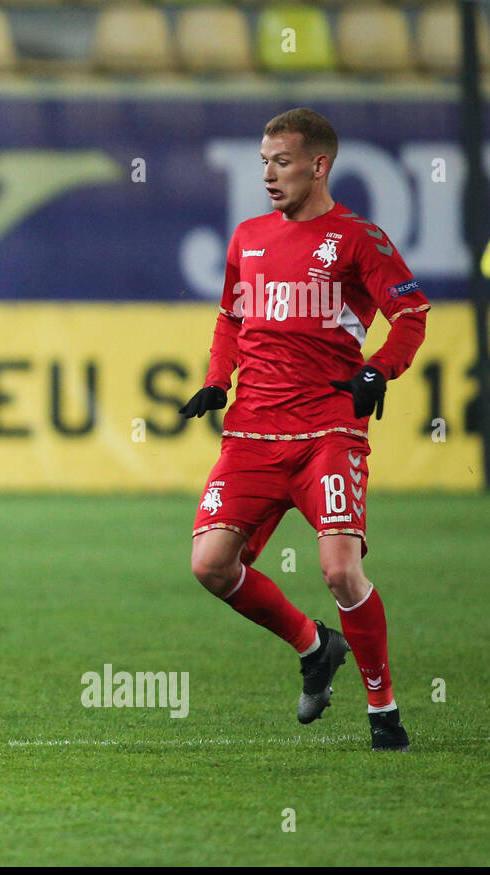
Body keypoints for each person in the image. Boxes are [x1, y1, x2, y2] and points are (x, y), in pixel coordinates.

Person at [180, 108, 427, 752]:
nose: (267, 174)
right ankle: (316, 645)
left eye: (280, 161)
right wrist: (217, 377)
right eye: (262, 161)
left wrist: (379, 370)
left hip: (327, 435)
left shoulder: (357, 239)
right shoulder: (247, 237)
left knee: (341, 572)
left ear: (319, 165)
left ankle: (384, 710)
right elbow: (231, 318)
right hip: (251, 435)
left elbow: (411, 315)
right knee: (209, 565)